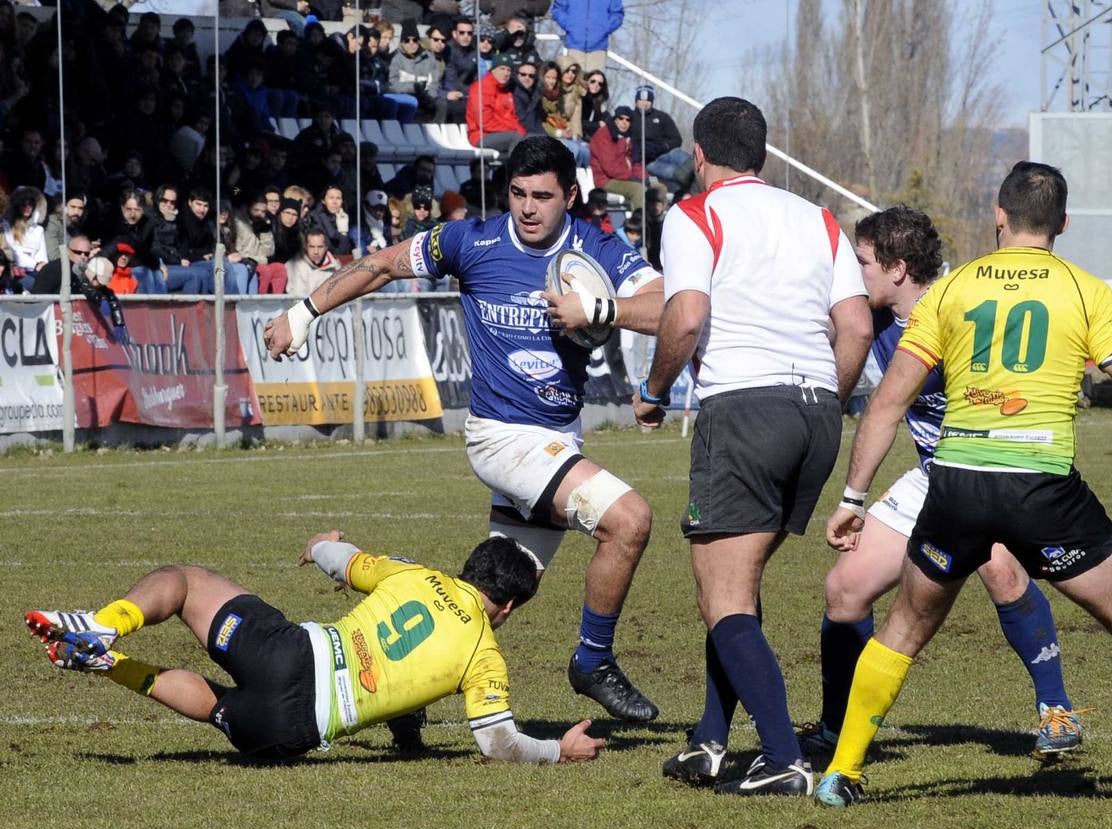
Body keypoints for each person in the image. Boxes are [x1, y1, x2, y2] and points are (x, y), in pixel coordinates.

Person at [812, 161, 1112, 816]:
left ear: (998, 215)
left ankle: (839, 774)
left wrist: (852, 498)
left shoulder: (950, 291)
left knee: (902, 628)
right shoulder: (1083, 290)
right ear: (1063, 224)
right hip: (1041, 487)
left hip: (955, 483)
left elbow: (885, 406)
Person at [264, 136, 666, 723]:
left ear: (571, 196)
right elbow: (381, 264)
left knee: (489, 597)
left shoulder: (596, 247)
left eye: (543, 197)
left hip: (557, 437)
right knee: (630, 521)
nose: (528, 208)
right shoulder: (472, 240)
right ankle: (593, 661)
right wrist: (304, 313)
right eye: (518, 194)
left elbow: (668, 308)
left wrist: (599, 311)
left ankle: (402, 691)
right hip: (502, 438)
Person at [635, 97, 872, 796]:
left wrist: (652, 391)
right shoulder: (819, 218)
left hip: (744, 408)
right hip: (816, 413)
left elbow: (687, 314)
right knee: (734, 585)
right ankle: (710, 741)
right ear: (763, 157)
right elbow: (855, 328)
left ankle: (782, 757)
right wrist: (827, 397)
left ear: (700, 157)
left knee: (725, 593)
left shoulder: (694, 213)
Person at [799, 206, 1083, 765]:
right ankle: (838, 728)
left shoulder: (963, 307)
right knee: (845, 589)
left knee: (1001, 569)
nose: (854, 275)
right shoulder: (875, 321)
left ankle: (1057, 710)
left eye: (862, 263)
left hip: (991, 466)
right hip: (931, 472)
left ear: (898, 268)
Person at [24, 531, 605, 764]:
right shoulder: (484, 655)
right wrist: (559, 750)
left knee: (186, 581)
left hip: (286, 654)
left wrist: (321, 544)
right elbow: (496, 741)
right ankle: (111, 665)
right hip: (287, 730)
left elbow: (341, 560)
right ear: (505, 607)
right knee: (221, 707)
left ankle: (104, 627)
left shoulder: (416, 576)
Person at [630, 86, 689, 196]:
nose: (644, 103)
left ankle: (703, 179)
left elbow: (677, 139)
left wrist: (664, 146)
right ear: (636, 101)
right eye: (641, 99)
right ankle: (689, 191)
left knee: (684, 158)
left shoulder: (662, 117)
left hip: (666, 152)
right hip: (649, 161)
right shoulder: (629, 118)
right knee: (674, 171)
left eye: (648, 100)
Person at [465, 52, 526, 159]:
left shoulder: (506, 90)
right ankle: (516, 174)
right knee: (516, 138)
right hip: (481, 135)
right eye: (502, 69)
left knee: (535, 140)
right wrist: (514, 129)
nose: (506, 73)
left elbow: (512, 117)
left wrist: (521, 131)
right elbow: (484, 122)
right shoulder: (481, 88)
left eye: (509, 70)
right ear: (493, 69)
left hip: (503, 133)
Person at [589, 105, 645, 211]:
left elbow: (635, 162)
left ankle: (656, 225)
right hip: (606, 180)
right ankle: (638, 224)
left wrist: (643, 176)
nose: (624, 122)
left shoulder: (628, 136)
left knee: (657, 187)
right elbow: (610, 167)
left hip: (623, 177)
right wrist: (632, 177)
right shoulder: (604, 135)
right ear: (615, 119)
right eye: (621, 118)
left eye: (628, 120)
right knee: (639, 189)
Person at [553, 0, 623, 76]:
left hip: (598, 46)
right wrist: (569, 25)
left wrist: (606, 28)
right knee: (574, 83)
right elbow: (558, 9)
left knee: (595, 82)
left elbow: (617, 14)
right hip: (574, 45)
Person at [285, 227, 342, 296]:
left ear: (326, 248)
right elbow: (295, 298)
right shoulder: (295, 266)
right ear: (306, 247)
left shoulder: (336, 268)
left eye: (320, 247)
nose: (316, 252)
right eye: (312, 247)